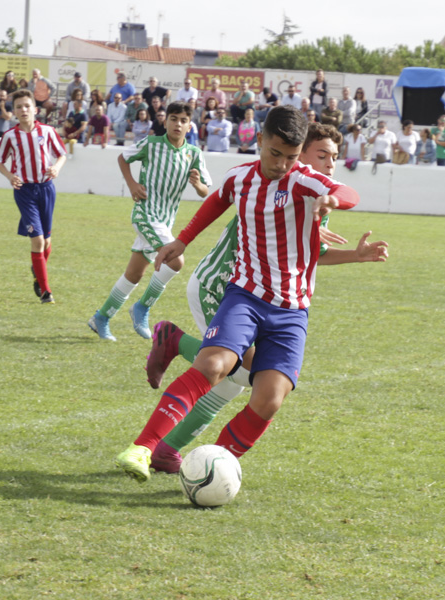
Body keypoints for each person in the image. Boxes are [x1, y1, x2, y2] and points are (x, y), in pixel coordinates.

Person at [113, 106, 360, 480]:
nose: (281, 164)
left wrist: (333, 200)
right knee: (214, 366)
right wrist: (182, 240)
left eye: (291, 157)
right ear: (260, 141)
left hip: (291, 311)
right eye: (275, 153)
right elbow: (216, 201)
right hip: (244, 295)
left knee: (269, 397)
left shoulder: (306, 181)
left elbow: (347, 191)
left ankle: (215, 468)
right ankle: (142, 448)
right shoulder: (241, 177)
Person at [88, 100, 211, 342]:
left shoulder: (193, 153)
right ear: (165, 121)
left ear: (190, 126)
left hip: (164, 221)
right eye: (173, 118)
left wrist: (198, 185)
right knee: (176, 260)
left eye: (183, 120)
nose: (178, 124)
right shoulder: (152, 144)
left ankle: (101, 318)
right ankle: (142, 307)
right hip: (145, 214)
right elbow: (123, 158)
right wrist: (132, 184)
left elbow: (206, 190)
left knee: (134, 274)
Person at [0, 89, 68, 304]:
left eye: (27, 106)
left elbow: (62, 154)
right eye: (19, 107)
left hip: (46, 189)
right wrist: (10, 176)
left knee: (46, 241)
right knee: (37, 240)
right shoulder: (10, 136)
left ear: (35, 110)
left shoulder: (47, 131)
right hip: (24, 191)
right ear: (14, 111)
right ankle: (46, 292)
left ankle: (37, 270)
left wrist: (56, 168)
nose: (23, 110)